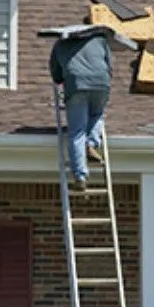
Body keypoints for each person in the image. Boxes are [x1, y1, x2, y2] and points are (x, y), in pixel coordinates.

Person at [49, 32, 114, 192]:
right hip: (101, 83)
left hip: (77, 85)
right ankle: (91, 144)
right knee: (97, 114)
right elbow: (110, 66)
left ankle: (80, 176)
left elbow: (56, 76)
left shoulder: (60, 44)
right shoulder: (99, 40)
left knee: (77, 131)